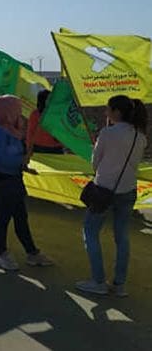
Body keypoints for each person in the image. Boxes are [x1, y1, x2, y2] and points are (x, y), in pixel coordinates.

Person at [77, 95, 147, 297]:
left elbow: (95, 164)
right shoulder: (140, 136)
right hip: (128, 191)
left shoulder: (107, 133)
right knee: (122, 237)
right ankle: (119, 284)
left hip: (104, 191)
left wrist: (103, 137)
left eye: (108, 109)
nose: (105, 112)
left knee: (90, 232)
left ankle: (98, 281)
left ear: (117, 112)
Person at [0, 95, 53, 271]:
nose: (19, 112)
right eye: (16, 108)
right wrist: (20, 162)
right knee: (3, 217)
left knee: (21, 217)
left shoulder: (13, 130)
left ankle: (32, 253)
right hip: (0, 179)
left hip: (13, 178)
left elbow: (14, 154)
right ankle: (0, 254)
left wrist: (22, 163)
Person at [26, 90, 64, 156]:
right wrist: (28, 148)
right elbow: (30, 132)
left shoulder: (57, 112)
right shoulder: (35, 114)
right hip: (39, 147)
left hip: (55, 148)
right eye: (49, 98)